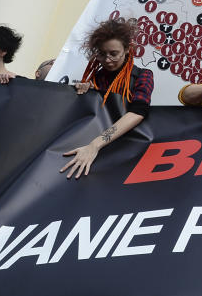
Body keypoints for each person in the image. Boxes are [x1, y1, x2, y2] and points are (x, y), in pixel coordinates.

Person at [62, 18, 152, 179]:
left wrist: (95, 145)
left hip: (125, 151)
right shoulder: (95, 78)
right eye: (102, 54)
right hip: (92, 150)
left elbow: (138, 112)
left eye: (114, 54)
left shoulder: (143, 75)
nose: (108, 60)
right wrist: (85, 94)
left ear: (126, 49)